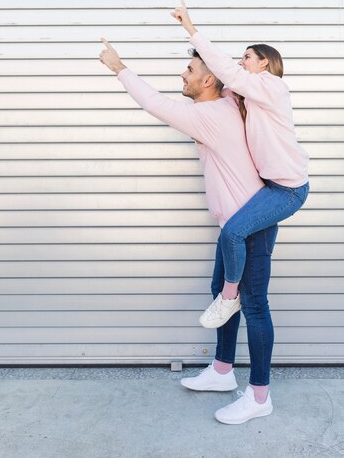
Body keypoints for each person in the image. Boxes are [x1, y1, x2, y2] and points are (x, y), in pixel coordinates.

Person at [99, 36, 278, 425]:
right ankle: (221, 371)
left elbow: (154, 103)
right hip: (234, 223)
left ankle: (259, 396)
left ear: (209, 82)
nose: (183, 74)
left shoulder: (209, 114)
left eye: (191, 70)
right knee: (223, 296)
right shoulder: (228, 102)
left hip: (251, 227)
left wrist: (119, 67)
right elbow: (230, 78)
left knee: (254, 306)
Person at [170, 0, 310, 334]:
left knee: (234, 233)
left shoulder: (272, 87)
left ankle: (229, 295)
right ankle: (221, 365)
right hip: (268, 189)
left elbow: (226, 73)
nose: (239, 61)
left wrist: (191, 28)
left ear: (264, 63)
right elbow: (220, 91)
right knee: (232, 234)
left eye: (247, 56)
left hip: (288, 189)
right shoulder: (246, 95)